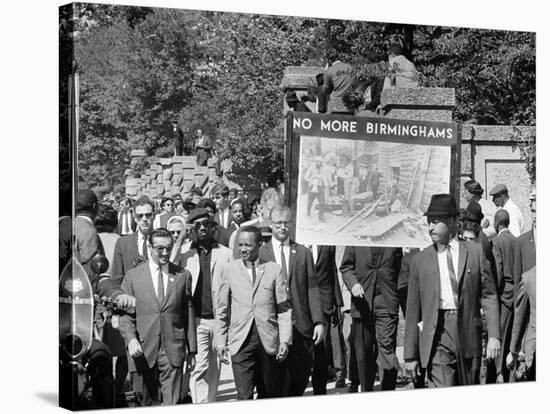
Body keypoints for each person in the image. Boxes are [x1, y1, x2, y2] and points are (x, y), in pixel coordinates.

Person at [404, 194, 500, 387]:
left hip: (469, 333)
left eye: (436, 222)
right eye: (429, 222)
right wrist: (410, 355)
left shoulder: (474, 252)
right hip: (437, 333)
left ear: (453, 222)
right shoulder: (420, 261)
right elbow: (413, 310)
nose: (430, 227)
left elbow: (489, 295)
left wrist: (494, 336)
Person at [59, 189, 136, 408]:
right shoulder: (89, 231)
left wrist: (116, 293)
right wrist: (117, 293)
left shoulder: (60, 226)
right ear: (95, 208)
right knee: (102, 358)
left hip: (69, 316)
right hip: (74, 318)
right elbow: (97, 277)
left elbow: (95, 276)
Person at [118, 229, 197, 406]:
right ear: (149, 247)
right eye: (160, 248)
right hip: (144, 349)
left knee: (172, 402)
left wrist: (192, 350)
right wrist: (130, 339)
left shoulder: (182, 276)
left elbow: (188, 313)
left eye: (168, 248)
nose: (165, 253)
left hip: (173, 349)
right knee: (147, 402)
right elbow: (125, 315)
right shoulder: (133, 276)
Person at [215, 226, 292, 399]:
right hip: (240, 341)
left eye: (248, 245)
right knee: (244, 395)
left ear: (259, 245)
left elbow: (284, 309)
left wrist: (285, 340)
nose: (243, 249)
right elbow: (222, 309)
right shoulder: (229, 270)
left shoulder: (273, 269)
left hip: (268, 340)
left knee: (269, 393)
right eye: (240, 245)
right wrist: (220, 342)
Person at [258, 206, 325, 396]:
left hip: (300, 325)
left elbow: (312, 288)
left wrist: (319, 321)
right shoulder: (262, 254)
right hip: (272, 326)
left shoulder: (303, 252)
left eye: (286, 222)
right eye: (278, 223)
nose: (282, 227)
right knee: (274, 383)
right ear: (270, 224)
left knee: (299, 378)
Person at [178, 208, 233, 403]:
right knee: (199, 366)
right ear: (192, 228)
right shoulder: (185, 253)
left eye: (206, 224)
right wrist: (181, 236)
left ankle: (209, 403)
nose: (202, 228)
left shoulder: (226, 253)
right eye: (197, 225)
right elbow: (170, 263)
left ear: (212, 226)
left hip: (219, 318)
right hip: (197, 320)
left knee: (214, 368)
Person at [340, 246, 403, 391]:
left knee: (387, 349)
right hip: (362, 302)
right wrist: (353, 283)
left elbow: (401, 270)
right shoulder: (355, 239)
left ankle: (388, 391)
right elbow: (346, 267)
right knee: (364, 354)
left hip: (386, 301)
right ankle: (367, 392)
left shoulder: (393, 238)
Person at [308, 244, 345, 394]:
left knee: (321, 346)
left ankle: (320, 388)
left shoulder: (326, 245)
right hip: (303, 303)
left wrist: (337, 303)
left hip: (325, 301)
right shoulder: (298, 245)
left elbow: (332, 272)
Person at [491, 209, 517, 383]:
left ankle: (499, 372)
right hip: (517, 293)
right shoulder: (518, 241)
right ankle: (512, 372)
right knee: (515, 334)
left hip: (503, 295)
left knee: (500, 334)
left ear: (497, 223)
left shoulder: (496, 242)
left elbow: (498, 271)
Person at [111, 196, 155, 283]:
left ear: (154, 215)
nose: (144, 219)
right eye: (140, 216)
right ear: (134, 217)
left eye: (148, 215)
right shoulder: (123, 243)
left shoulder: (163, 240)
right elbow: (116, 277)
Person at [507, 265, 536, 381]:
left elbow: (520, 319)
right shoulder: (529, 278)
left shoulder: (529, 278)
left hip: (534, 351)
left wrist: (513, 352)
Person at [304, 157, 326, 222]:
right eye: (317, 161)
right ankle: (308, 213)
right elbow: (306, 177)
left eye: (320, 162)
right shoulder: (311, 168)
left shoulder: (323, 169)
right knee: (310, 201)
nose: (319, 163)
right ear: (315, 162)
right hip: (312, 186)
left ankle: (321, 216)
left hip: (320, 186)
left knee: (322, 201)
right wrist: (311, 181)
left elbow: (323, 177)